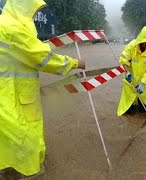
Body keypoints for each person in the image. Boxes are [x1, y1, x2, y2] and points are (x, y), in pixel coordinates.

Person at [0, 0, 85, 178]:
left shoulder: (4, 24)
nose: (33, 15)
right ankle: (30, 173)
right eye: (32, 11)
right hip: (12, 98)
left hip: (12, 94)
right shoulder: (13, 29)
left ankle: (9, 170)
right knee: (26, 141)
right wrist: (75, 63)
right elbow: (42, 58)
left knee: (10, 140)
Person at [117, 26, 146, 116]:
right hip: (130, 77)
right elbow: (124, 60)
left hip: (144, 79)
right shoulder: (132, 46)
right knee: (129, 103)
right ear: (142, 40)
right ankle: (130, 108)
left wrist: (143, 82)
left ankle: (141, 106)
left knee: (143, 105)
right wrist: (126, 72)